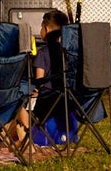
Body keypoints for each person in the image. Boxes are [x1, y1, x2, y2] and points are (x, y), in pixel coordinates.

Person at [15, 9, 69, 144]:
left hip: (46, 101)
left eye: (41, 26)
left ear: (46, 28)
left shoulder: (43, 52)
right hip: (66, 99)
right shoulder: (67, 52)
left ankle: (28, 132)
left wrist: (37, 91)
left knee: (16, 102)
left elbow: (40, 80)